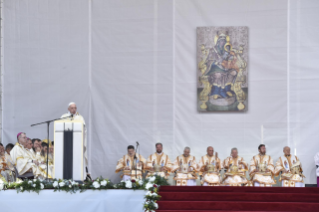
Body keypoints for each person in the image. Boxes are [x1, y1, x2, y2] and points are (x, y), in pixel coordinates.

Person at [61, 102, 88, 172]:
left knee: (77, 160)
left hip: (77, 142)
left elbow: (84, 129)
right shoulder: (64, 117)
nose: (74, 110)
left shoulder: (80, 118)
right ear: (68, 109)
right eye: (72, 108)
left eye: (75, 108)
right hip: (67, 143)